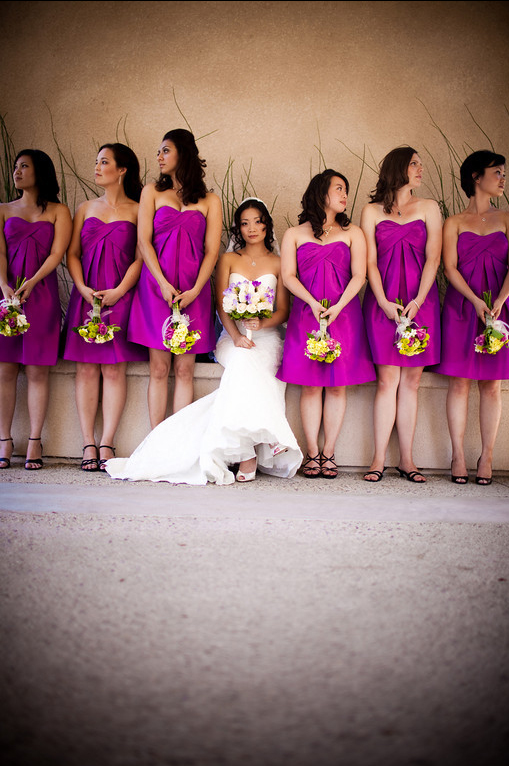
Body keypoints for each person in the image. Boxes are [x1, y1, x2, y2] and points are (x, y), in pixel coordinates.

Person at [106, 198, 302, 484]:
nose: (251, 228)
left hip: (266, 335)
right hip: (232, 335)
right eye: (244, 223)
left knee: (252, 364)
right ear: (238, 229)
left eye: (257, 222)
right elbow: (222, 305)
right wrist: (236, 335)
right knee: (242, 359)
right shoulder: (228, 260)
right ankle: (270, 438)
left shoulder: (277, 262)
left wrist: (261, 323)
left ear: (267, 225)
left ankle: (248, 451)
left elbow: (283, 310)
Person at [276, 169, 375, 479]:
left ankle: (329, 452)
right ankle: (312, 452)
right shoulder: (294, 234)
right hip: (306, 315)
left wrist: (338, 307)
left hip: (344, 315)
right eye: (338, 189)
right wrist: (311, 302)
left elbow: (359, 275)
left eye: (346, 190)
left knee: (336, 386)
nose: (345, 195)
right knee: (309, 386)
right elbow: (288, 276)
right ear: (321, 193)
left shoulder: (353, 232)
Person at [128, 129, 222, 429]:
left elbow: (212, 251)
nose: (159, 156)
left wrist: (196, 290)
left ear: (183, 153)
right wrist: (162, 284)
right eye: (159, 151)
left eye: (165, 150)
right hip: (156, 288)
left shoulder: (210, 200)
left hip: (193, 291)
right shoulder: (151, 192)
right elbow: (144, 242)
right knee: (158, 368)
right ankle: (156, 439)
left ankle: (177, 439)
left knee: (184, 370)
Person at [62, 143, 147, 471]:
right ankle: (88, 442)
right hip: (86, 296)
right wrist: (82, 288)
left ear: (122, 169)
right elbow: (72, 254)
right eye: (96, 161)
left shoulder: (138, 210)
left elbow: (141, 257)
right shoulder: (85, 208)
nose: (97, 167)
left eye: (104, 162)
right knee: (85, 368)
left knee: (114, 369)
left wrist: (120, 291)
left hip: (119, 296)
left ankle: (107, 441)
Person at [361, 146, 442, 483]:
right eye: (414, 164)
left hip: (421, 303)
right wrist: (381, 300)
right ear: (398, 168)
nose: (420, 169)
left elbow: (434, 258)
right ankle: (378, 459)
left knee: (412, 382)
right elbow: (369, 261)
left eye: (420, 164)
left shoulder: (429, 207)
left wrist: (419, 301)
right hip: (383, 303)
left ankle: (407, 459)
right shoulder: (371, 211)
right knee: (386, 381)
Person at [432, 150, 508, 485]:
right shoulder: (454, 222)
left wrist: (500, 300)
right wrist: (475, 300)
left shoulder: (506, 218)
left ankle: (487, 455)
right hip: (462, 307)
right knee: (459, 382)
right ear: (476, 176)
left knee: (492, 385)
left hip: (499, 309)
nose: (502, 178)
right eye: (497, 172)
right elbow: (449, 268)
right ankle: (458, 455)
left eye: (504, 173)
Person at [0, 149, 72, 470]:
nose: (17, 171)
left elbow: (57, 254)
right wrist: (4, 285)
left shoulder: (59, 211)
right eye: (15, 166)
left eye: (24, 166)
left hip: (41, 294)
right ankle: (4, 439)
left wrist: (33, 281)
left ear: (39, 171)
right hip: (7, 295)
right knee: (4, 369)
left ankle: (34, 440)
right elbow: (0, 253)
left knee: (37, 370)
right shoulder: (3, 210)